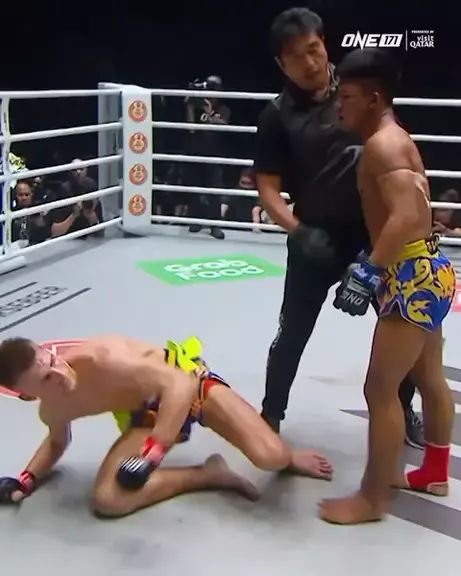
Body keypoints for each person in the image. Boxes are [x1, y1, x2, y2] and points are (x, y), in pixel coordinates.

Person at [254, 7, 423, 448]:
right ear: (282, 64)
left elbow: (396, 146)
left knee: (397, 326)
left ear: (324, 43)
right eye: (296, 56)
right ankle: (269, 416)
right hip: (314, 234)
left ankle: (405, 409)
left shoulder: (359, 88)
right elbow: (267, 188)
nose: (309, 62)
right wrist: (298, 231)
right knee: (292, 332)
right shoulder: (277, 116)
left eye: (313, 49)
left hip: (373, 235)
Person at [318, 48, 456, 525]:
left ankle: (372, 499)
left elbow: (408, 215)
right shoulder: (396, 138)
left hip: (410, 275)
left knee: (380, 388)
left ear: (374, 98)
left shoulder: (382, 145)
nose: (340, 106)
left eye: (348, 97)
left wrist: (369, 269)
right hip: (426, 268)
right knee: (429, 377)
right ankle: (434, 472)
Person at [0, 336, 332, 516]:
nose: (60, 373)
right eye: (46, 378)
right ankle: (209, 474)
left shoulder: (103, 359)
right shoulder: (53, 409)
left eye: (52, 361)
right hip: (146, 413)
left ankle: (288, 456)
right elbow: (56, 441)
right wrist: (25, 480)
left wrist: (154, 452)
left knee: (271, 457)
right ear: (27, 395)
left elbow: (178, 385)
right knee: (108, 499)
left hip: (190, 385)